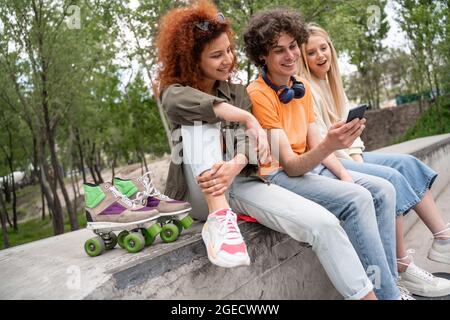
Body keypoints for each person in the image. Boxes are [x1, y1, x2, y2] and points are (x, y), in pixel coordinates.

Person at [156, 0, 378, 299]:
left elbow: (251, 144)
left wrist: (235, 163)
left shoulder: (236, 91)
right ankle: (219, 220)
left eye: (229, 51)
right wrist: (245, 117)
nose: (227, 61)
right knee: (199, 121)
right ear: (194, 60)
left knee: (323, 224)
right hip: (203, 190)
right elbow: (182, 104)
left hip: (242, 181)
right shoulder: (174, 92)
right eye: (217, 55)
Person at [244, 8, 411, 300]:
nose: (290, 55)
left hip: (308, 167)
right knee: (358, 199)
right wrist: (329, 145)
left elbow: (314, 144)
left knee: (383, 190)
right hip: (277, 175)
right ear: (262, 57)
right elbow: (292, 166)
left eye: (293, 46)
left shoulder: (301, 88)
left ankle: (390, 288)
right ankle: (389, 297)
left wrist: (345, 173)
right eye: (278, 50)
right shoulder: (258, 94)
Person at [298, 23, 450, 297]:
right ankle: (402, 265)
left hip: (347, 155)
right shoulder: (304, 88)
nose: (321, 55)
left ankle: (443, 239)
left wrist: (359, 157)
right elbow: (320, 144)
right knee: (390, 178)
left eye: (324, 48)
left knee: (407, 164)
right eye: (311, 52)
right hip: (328, 160)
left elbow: (351, 133)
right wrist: (356, 164)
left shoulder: (332, 82)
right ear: (302, 58)